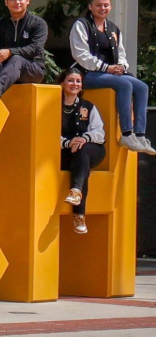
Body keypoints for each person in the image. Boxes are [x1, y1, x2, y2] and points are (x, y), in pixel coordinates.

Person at [68, 0, 155, 154]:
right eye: (98, 5)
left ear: (111, 7)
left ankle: (140, 134)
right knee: (124, 84)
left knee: (142, 87)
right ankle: (127, 133)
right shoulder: (82, 25)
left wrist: (121, 66)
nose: (102, 8)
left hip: (110, 73)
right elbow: (80, 54)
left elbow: (121, 53)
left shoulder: (113, 29)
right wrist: (106, 68)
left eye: (106, 5)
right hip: (87, 74)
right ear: (90, 6)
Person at [59, 68, 102, 235]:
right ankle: (79, 214)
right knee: (81, 166)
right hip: (65, 151)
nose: (74, 84)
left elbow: (99, 132)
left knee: (82, 152)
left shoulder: (88, 107)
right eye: (70, 80)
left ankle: (76, 191)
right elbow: (48, 133)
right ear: (62, 83)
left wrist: (84, 139)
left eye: (78, 81)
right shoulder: (54, 106)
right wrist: (68, 143)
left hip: (92, 148)